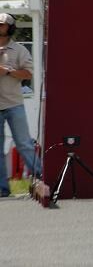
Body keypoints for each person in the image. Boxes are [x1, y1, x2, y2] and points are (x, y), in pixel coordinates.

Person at [0, 13, 39, 197]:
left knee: (24, 144)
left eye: (2, 25)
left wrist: (7, 72)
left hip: (14, 103)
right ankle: (2, 188)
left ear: (10, 27)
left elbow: (28, 74)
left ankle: (40, 177)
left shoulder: (20, 50)